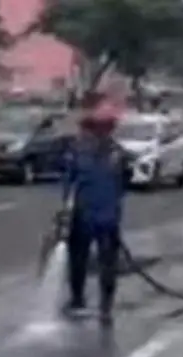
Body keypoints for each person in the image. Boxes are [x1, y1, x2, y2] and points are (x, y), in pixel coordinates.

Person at [60, 104, 128, 325]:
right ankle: (104, 308)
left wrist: (65, 211)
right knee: (106, 263)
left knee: (79, 259)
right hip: (107, 217)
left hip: (84, 215)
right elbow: (123, 185)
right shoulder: (118, 153)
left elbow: (68, 184)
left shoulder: (77, 151)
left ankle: (79, 300)